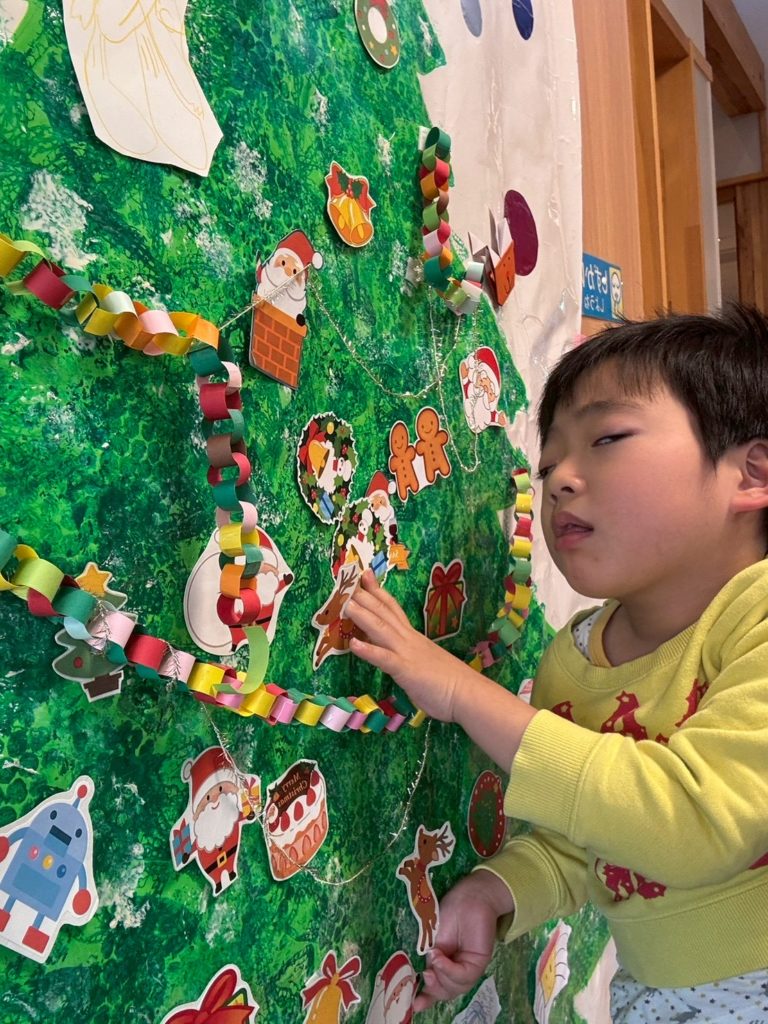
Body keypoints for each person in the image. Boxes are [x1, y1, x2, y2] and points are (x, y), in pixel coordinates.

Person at [346, 304, 768, 1022]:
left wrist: (463, 693)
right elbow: (593, 839)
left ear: (751, 474)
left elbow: (696, 821)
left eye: (607, 438)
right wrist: (499, 892)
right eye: (546, 466)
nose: (561, 479)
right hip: (651, 996)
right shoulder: (572, 661)